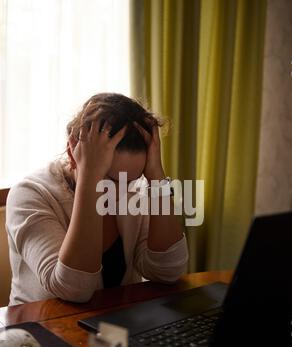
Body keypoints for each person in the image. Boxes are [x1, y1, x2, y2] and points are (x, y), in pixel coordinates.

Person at [6, 93, 189, 305]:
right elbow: (73, 289)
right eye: (109, 180)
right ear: (74, 153)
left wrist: (156, 177)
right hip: (39, 331)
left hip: (114, 328)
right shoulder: (30, 194)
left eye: (130, 179)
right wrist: (90, 180)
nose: (122, 192)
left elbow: (168, 271)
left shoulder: (135, 187)